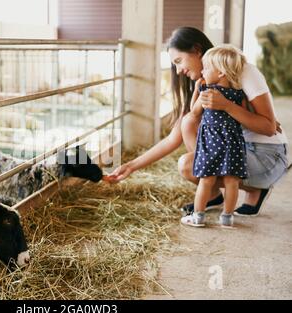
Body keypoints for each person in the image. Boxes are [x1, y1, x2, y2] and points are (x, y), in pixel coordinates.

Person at [107, 27, 289, 218]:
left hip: (267, 155)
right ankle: (212, 194)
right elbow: (172, 139)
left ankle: (256, 188)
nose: (178, 71)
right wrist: (131, 166)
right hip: (241, 149)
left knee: (191, 141)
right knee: (187, 158)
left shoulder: (243, 71)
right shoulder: (204, 86)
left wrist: (227, 106)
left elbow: (269, 128)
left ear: (196, 50)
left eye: (179, 61)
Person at [180, 45, 247, 228]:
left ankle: (198, 216)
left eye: (206, 68)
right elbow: (244, 113)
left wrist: (196, 90)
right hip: (233, 142)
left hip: (211, 142)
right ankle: (227, 218)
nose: (202, 71)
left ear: (220, 73)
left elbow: (194, 112)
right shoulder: (238, 93)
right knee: (231, 181)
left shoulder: (208, 92)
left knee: (206, 179)